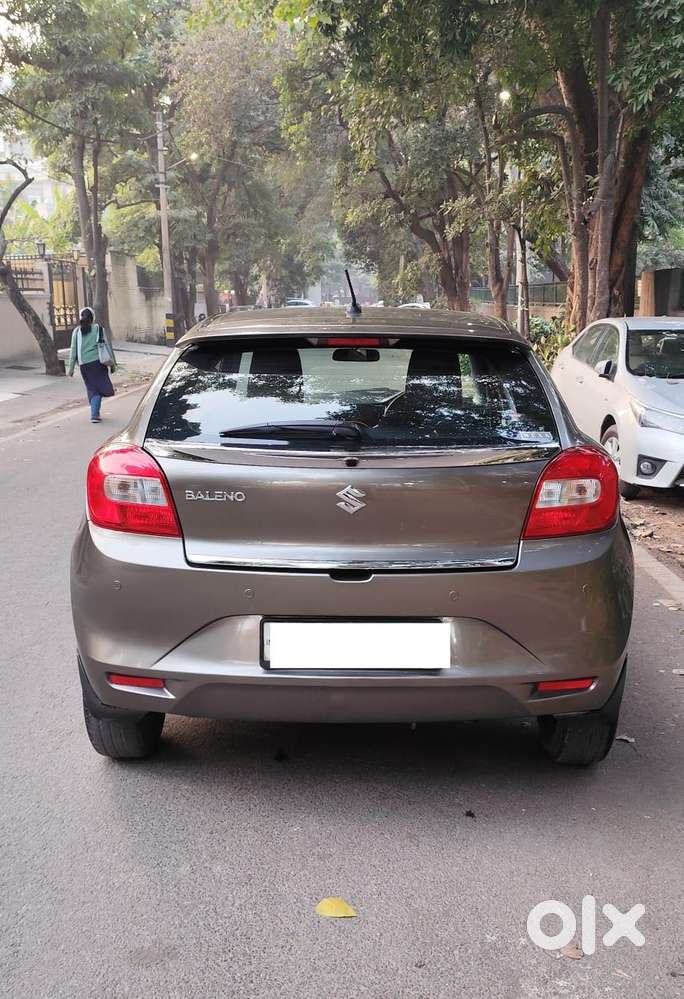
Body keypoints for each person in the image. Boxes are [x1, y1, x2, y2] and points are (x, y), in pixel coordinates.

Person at [67, 308, 117, 423]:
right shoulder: (98, 329)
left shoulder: (77, 332)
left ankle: (95, 413)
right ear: (93, 317)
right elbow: (106, 346)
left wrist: (70, 369)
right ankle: (95, 414)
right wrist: (113, 364)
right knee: (98, 389)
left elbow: (73, 350)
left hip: (84, 365)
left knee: (92, 388)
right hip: (98, 363)